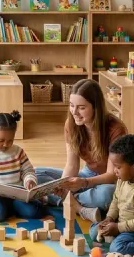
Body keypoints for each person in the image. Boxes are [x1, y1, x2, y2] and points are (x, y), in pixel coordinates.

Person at [35, 79, 127, 222]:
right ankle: (80, 208)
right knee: (36, 174)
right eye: (72, 105)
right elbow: (72, 165)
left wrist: (83, 183)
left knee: (106, 195)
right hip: (86, 174)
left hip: (109, 181)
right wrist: (62, 185)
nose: (74, 112)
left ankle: (57, 199)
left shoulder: (116, 130)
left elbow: (112, 175)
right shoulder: (71, 124)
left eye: (81, 108)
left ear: (96, 107)